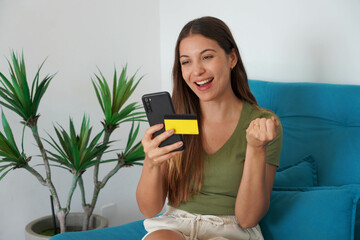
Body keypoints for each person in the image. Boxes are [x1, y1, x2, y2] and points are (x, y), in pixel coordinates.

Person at [136, 16, 282, 240]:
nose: (197, 71)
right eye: (186, 61)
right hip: (176, 225)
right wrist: (152, 162)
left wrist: (256, 148)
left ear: (231, 58)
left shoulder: (262, 124)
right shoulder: (175, 119)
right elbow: (149, 209)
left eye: (207, 57)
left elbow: (248, 218)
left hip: (231, 231)